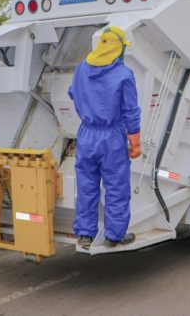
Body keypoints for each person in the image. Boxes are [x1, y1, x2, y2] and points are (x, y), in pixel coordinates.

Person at [68, 26, 142, 249]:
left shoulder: (81, 69)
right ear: (119, 50)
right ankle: (114, 235)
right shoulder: (124, 74)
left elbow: (72, 93)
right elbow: (131, 110)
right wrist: (135, 141)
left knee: (86, 185)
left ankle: (85, 234)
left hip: (87, 134)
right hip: (112, 136)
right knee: (116, 186)